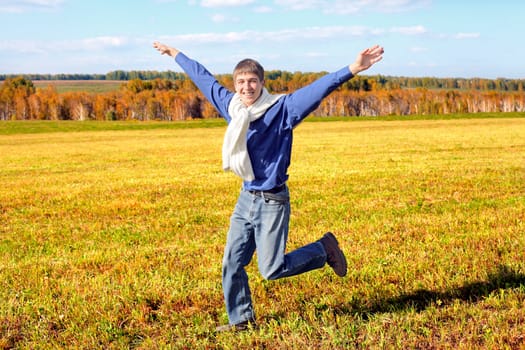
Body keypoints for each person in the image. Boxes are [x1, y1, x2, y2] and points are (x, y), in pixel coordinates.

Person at [153, 41, 384, 332]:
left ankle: (323, 249)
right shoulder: (233, 107)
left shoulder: (283, 109)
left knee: (272, 269)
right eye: (241, 82)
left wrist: (353, 68)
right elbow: (203, 78)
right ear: (235, 85)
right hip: (246, 198)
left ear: (262, 83)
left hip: (272, 201)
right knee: (231, 263)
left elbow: (319, 88)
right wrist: (175, 54)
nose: (246, 87)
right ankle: (241, 320)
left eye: (252, 81)